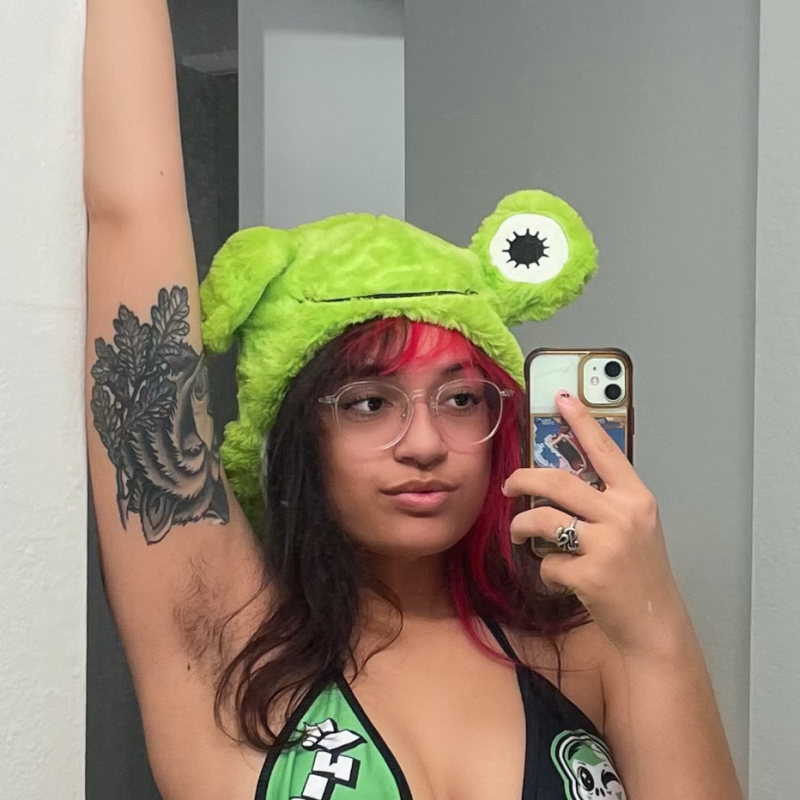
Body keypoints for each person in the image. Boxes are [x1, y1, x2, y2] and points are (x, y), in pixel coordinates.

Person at [83, 1, 744, 799]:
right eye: (369, 403)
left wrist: (655, 622)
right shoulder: (221, 631)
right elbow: (131, 212)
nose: (426, 444)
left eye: (461, 399)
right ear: (297, 433)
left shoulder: (585, 648)